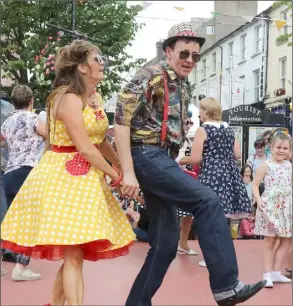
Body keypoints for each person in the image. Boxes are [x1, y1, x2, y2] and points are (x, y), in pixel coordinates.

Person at [114, 22, 265, 306]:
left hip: (161, 158)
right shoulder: (150, 74)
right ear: (168, 51)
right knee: (207, 201)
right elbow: (121, 119)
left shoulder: (182, 85)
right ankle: (226, 286)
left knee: (166, 245)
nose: (190, 61)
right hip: (146, 155)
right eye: (184, 54)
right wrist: (128, 172)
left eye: (195, 56)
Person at [1, 40, 135, 305]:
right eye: (99, 59)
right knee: (73, 254)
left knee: (75, 253)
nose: (103, 64)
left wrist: (117, 165)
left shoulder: (93, 97)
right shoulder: (66, 97)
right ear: (82, 67)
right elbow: (84, 147)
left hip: (85, 180)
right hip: (63, 180)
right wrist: (116, 175)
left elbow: (99, 140)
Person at [186, 97, 252, 267]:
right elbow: (236, 155)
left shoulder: (203, 129)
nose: (199, 113)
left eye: (200, 109)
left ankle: (210, 256)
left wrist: (178, 161)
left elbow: (195, 158)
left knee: (208, 217)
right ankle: (224, 254)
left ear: (206, 111)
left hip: (211, 175)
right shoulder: (228, 128)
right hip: (229, 175)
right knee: (225, 218)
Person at [1, 85, 46, 281]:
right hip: (29, 172)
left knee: (9, 221)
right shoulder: (34, 119)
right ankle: (21, 266)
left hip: (10, 173)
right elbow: (49, 135)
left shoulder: (6, 122)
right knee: (29, 220)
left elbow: (2, 143)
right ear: (31, 101)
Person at [252, 131, 292, 288]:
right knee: (270, 240)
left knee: (286, 240)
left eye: (285, 148)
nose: (281, 151)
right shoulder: (266, 165)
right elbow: (255, 184)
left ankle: (276, 272)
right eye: (278, 147)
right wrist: (258, 199)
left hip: (286, 207)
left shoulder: (289, 166)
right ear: (271, 147)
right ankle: (267, 274)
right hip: (270, 207)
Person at [176, 111, 197, 255]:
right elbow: (178, 159)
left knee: (188, 214)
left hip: (187, 178)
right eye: (186, 122)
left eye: (191, 122)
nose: (188, 125)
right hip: (176, 178)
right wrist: (196, 159)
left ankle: (183, 244)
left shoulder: (189, 140)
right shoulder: (175, 139)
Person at [0, 99, 15, 276]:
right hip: (7, 166)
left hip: (6, 166)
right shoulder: (8, 108)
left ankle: (9, 250)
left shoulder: (8, 107)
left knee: (5, 211)